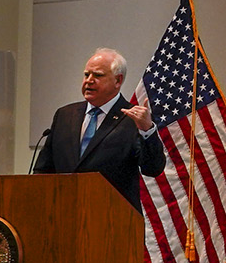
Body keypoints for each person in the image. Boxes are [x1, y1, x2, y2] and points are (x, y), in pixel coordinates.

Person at [30, 48, 167, 210]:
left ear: (118, 80)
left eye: (98, 75)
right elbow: (43, 170)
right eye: (86, 74)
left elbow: (153, 168)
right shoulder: (65, 115)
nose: (89, 80)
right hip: (63, 215)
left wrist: (147, 130)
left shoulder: (133, 119)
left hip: (112, 219)